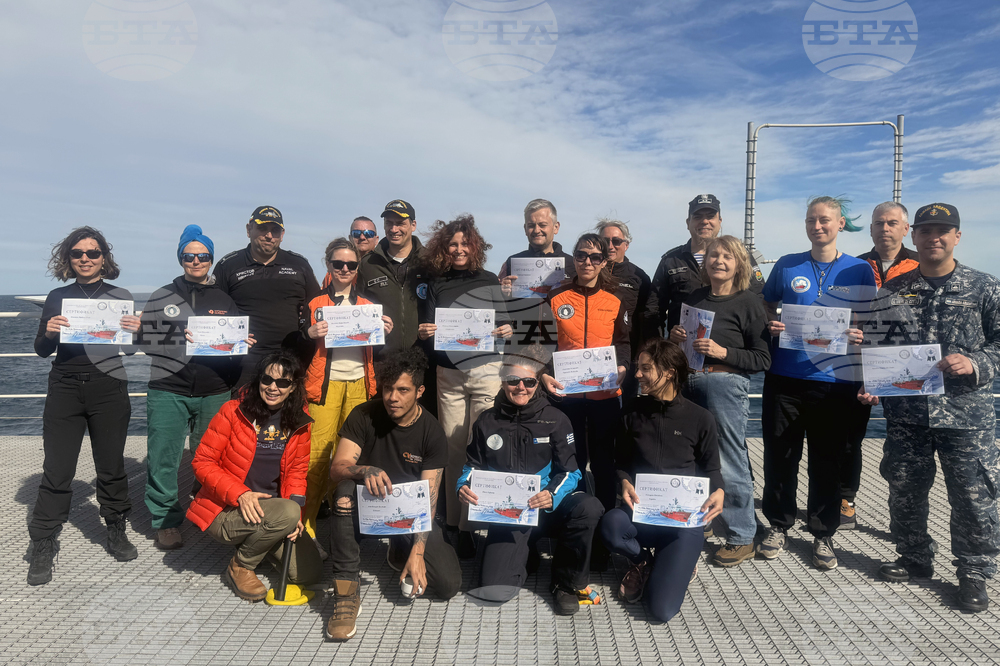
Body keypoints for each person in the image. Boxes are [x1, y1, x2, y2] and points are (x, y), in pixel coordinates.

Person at [859, 202, 999, 612]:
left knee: (972, 496)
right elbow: (877, 346)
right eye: (925, 230)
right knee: (904, 489)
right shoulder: (891, 292)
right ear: (914, 236)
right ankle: (914, 556)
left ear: (957, 236)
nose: (933, 237)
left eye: (942, 230)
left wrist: (976, 362)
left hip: (965, 414)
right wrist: (873, 382)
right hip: (907, 415)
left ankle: (974, 571)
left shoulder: (985, 287)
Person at [758, 196, 875, 571]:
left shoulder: (859, 269)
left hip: (835, 381)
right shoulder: (787, 264)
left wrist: (858, 335)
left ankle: (823, 533)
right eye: (811, 220)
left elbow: (868, 318)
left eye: (825, 220)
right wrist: (772, 323)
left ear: (840, 224)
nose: (817, 226)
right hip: (785, 377)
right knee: (780, 457)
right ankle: (778, 525)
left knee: (827, 461)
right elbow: (765, 303)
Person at [27, 227, 142, 586]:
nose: (85, 259)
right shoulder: (58, 296)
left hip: (108, 387)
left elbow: (129, 350)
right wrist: (49, 331)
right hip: (65, 387)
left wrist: (136, 331)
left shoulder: (119, 296)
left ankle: (116, 527)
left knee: (111, 466)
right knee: (57, 469)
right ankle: (43, 540)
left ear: (104, 258)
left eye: (93, 253)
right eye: (78, 253)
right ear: (68, 258)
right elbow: (42, 350)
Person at [458, 345, 604, 614]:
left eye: (529, 381)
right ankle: (526, 553)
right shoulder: (486, 421)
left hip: (547, 507)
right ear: (503, 381)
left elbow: (572, 472)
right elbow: (472, 466)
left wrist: (552, 494)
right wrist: (463, 486)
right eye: (513, 380)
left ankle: (565, 583)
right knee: (494, 591)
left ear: (538, 382)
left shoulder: (556, 419)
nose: (521, 387)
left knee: (589, 507)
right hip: (511, 514)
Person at [326, 348, 460, 641]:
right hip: (366, 503)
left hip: (410, 512)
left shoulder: (432, 432)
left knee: (448, 585)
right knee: (344, 493)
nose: (392, 397)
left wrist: (418, 552)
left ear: (420, 391)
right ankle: (346, 592)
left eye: (403, 390)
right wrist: (365, 470)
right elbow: (337, 468)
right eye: (387, 389)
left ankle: (401, 547)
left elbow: (429, 498)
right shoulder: (363, 415)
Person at [139, 225, 252, 550]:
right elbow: (144, 341)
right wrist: (177, 338)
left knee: (213, 459)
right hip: (168, 389)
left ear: (210, 259)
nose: (196, 261)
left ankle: (207, 511)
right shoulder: (162, 295)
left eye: (202, 256)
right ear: (181, 259)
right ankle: (165, 521)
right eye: (189, 256)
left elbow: (232, 349)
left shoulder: (224, 299)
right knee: (163, 457)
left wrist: (240, 344)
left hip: (214, 390)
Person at [601, 339, 724, 622]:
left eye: (646, 369)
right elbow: (620, 462)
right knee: (610, 526)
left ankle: (681, 561)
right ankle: (643, 560)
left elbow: (712, 469)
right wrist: (624, 481)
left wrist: (719, 491)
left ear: (669, 372)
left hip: (682, 523)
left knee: (661, 610)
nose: (637, 374)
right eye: (638, 368)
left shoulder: (700, 418)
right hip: (642, 513)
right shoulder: (631, 411)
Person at [186, 352, 321, 602]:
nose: (273, 387)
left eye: (283, 382)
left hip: (275, 509)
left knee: (309, 572)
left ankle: (263, 537)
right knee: (287, 513)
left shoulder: (299, 419)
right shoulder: (233, 411)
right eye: (267, 379)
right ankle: (241, 565)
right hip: (227, 509)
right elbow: (202, 462)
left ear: (293, 387)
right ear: (259, 379)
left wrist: (297, 517)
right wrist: (241, 494)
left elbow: (297, 472)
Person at [668, 235, 770, 567]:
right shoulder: (694, 298)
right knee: (692, 456)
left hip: (725, 384)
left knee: (728, 459)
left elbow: (762, 358)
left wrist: (723, 352)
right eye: (714, 255)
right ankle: (704, 519)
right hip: (688, 381)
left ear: (739, 264)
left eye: (727, 256)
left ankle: (742, 536)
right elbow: (679, 345)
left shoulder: (749, 302)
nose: (719, 261)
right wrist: (675, 337)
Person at [417, 215, 512, 557]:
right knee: (453, 447)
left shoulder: (488, 280)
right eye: (452, 244)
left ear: (475, 247)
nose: (458, 249)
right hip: (449, 374)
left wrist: (505, 330)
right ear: (444, 248)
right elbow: (427, 326)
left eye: (464, 244)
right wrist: (425, 332)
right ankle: (458, 526)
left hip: (486, 370)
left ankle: (477, 522)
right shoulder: (437, 283)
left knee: (480, 445)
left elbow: (505, 324)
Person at [303, 238, 392, 553]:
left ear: (357, 269)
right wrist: (308, 334)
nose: (344, 269)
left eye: (351, 265)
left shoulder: (368, 306)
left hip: (359, 386)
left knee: (353, 458)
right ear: (328, 265)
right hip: (324, 388)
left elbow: (375, 349)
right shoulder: (313, 303)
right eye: (338, 264)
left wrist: (385, 331)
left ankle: (346, 529)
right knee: (316, 457)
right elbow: (296, 345)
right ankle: (306, 528)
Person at [841, 202, 920, 530]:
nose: (884, 229)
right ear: (871, 229)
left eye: (892, 223)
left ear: (906, 229)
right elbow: (840, 312)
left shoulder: (922, 265)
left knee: (908, 444)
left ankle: (908, 518)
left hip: (907, 367)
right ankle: (845, 500)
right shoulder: (853, 267)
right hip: (858, 364)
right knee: (849, 437)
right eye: (878, 223)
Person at [541, 233, 630, 517]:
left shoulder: (615, 300)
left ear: (604, 262)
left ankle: (606, 522)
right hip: (566, 396)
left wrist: (623, 367)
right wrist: (544, 374)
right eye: (581, 255)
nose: (587, 262)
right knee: (570, 462)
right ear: (574, 258)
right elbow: (541, 344)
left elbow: (623, 342)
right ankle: (573, 521)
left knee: (604, 462)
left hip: (605, 394)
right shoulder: (555, 298)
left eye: (595, 257)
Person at [213, 205, 320, 388]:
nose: (269, 235)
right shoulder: (228, 265)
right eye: (262, 228)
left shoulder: (299, 264)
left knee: (290, 406)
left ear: (282, 234)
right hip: (244, 361)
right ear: (249, 229)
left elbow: (318, 304)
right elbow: (213, 310)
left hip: (292, 357)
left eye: (275, 230)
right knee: (245, 406)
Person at [651, 194, 765, 334]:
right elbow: (654, 309)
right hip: (682, 344)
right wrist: (657, 343)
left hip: (730, 344)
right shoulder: (671, 260)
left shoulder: (741, 255)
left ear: (720, 221)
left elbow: (759, 297)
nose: (705, 221)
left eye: (710, 216)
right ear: (688, 223)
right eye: (697, 217)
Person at [498, 199, 577, 354]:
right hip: (520, 348)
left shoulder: (572, 264)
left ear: (556, 227)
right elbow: (498, 307)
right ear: (525, 229)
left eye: (542, 224)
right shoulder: (512, 262)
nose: (536, 230)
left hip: (560, 348)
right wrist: (503, 294)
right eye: (531, 225)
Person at [356, 200, 428, 360]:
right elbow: (358, 308)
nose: (394, 229)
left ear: (413, 225)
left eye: (400, 223)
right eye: (389, 223)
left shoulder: (430, 261)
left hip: (422, 359)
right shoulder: (368, 264)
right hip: (381, 359)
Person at [596, 218, 657, 408]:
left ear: (626, 245)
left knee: (625, 410)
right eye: (605, 241)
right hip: (593, 354)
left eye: (616, 241)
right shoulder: (589, 272)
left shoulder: (639, 277)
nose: (610, 246)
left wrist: (645, 357)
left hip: (627, 357)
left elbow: (647, 318)